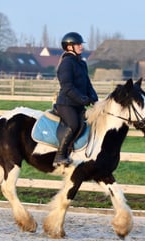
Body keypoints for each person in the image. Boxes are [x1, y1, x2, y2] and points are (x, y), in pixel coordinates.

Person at [53, 32, 98, 167]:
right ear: (69, 47)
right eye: (78, 44)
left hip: (78, 104)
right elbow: (67, 87)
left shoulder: (81, 64)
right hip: (66, 104)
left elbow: (87, 83)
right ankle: (60, 155)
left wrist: (94, 97)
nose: (81, 47)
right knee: (74, 124)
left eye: (80, 44)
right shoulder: (66, 63)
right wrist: (82, 99)